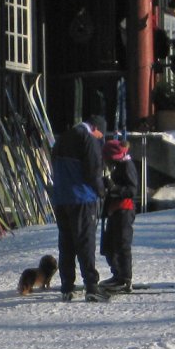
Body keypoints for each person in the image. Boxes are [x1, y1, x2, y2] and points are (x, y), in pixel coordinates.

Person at [49, 114, 106, 301]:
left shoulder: (62, 138)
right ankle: (91, 285)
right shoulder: (87, 138)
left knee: (66, 242)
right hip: (81, 197)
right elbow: (93, 170)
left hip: (61, 198)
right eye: (101, 135)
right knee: (85, 241)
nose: (101, 139)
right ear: (95, 128)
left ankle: (67, 286)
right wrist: (102, 191)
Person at [100, 136, 138, 289]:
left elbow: (132, 190)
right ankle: (117, 274)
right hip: (115, 210)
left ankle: (125, 278)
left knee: (122, 244)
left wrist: (113, 188)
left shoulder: (127, 166)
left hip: (124, 210)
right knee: (109, 246)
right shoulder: (118, 166)